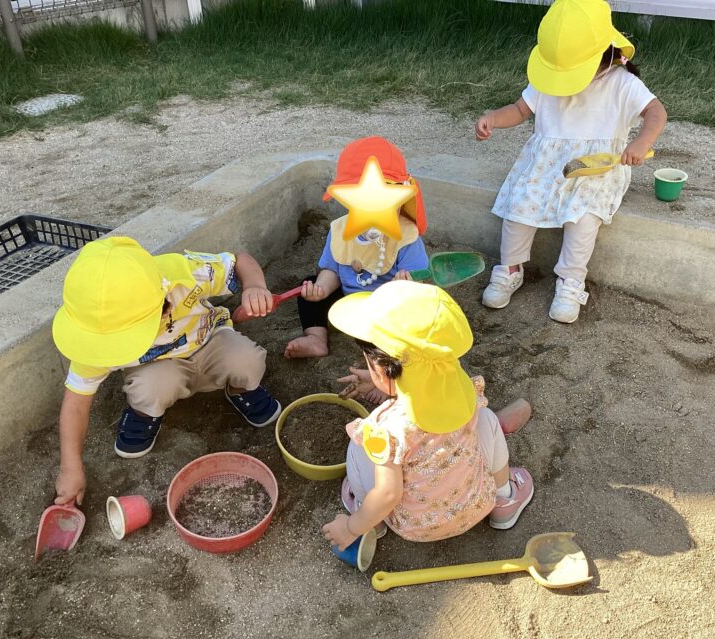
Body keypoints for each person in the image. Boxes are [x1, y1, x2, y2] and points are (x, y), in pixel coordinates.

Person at [51, 236, 282, 505]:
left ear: (163, 302)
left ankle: (240, 389)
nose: (108, 342)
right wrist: (70, 467)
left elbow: (240, 260)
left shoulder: (183, 274)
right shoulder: (93, 337)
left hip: (210, 343)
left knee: (247, 360)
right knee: (149, 388)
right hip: (158, 370)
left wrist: (254, 286)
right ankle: (144, 413)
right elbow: (76, 404)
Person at [476, 0, 667, 323]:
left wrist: (641, 142)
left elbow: (656, 112)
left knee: (583, 216)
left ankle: (570, 280)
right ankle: (509, 269)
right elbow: (520, 109)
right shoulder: (549, 78)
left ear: (603, 53)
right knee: (519, 203)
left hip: (596, 169)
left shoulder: (622, 83)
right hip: (546, 165)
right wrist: (493, 118)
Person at [321, 281, 534, 548]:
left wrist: (349, 528)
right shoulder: (463, 390)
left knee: (359, 446)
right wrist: (386, 383)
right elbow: (421, 380)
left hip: (414, 526)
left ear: (383, 370)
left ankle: (370, 522)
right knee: (487, 418)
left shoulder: (386, 428)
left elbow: (388, 494)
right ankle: (504, 496)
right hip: (476, 504)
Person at [284, 136, 430, 367]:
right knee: (308, 289)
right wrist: (322, 289)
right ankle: (316, 337)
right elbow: (332, 268)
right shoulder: (341, 230)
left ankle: (385, 355)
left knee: (408, 316)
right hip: (347, 299)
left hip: (385, 306)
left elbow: (418, 283)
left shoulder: (406, 236)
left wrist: (406, 285)